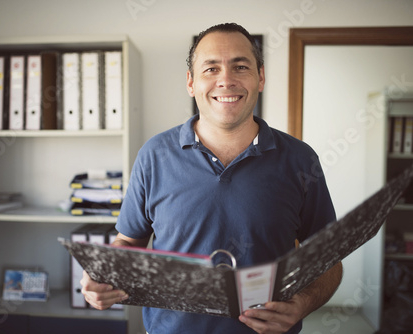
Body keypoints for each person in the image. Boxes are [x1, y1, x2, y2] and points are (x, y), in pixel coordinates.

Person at [81, 22, 343, 334]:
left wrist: (302, 303)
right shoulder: (153, 155)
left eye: (240, 66)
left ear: (260, 77)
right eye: (211, 69)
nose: (226, 80)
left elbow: (329, 259)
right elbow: (129, 241)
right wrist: (103, 274)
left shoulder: (300, 160)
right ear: (191, 82)